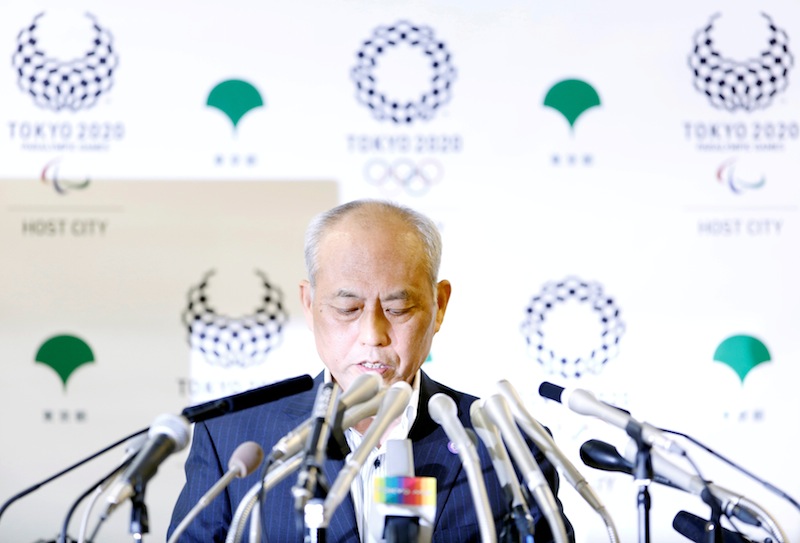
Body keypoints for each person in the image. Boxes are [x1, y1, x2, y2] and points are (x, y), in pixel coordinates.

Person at [168, 199, 574, 542]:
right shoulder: (236, 441)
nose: (373, 334)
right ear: (309, 305)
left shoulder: (505, 446)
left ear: (439, 306)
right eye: (347, 309)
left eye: (398, 309)